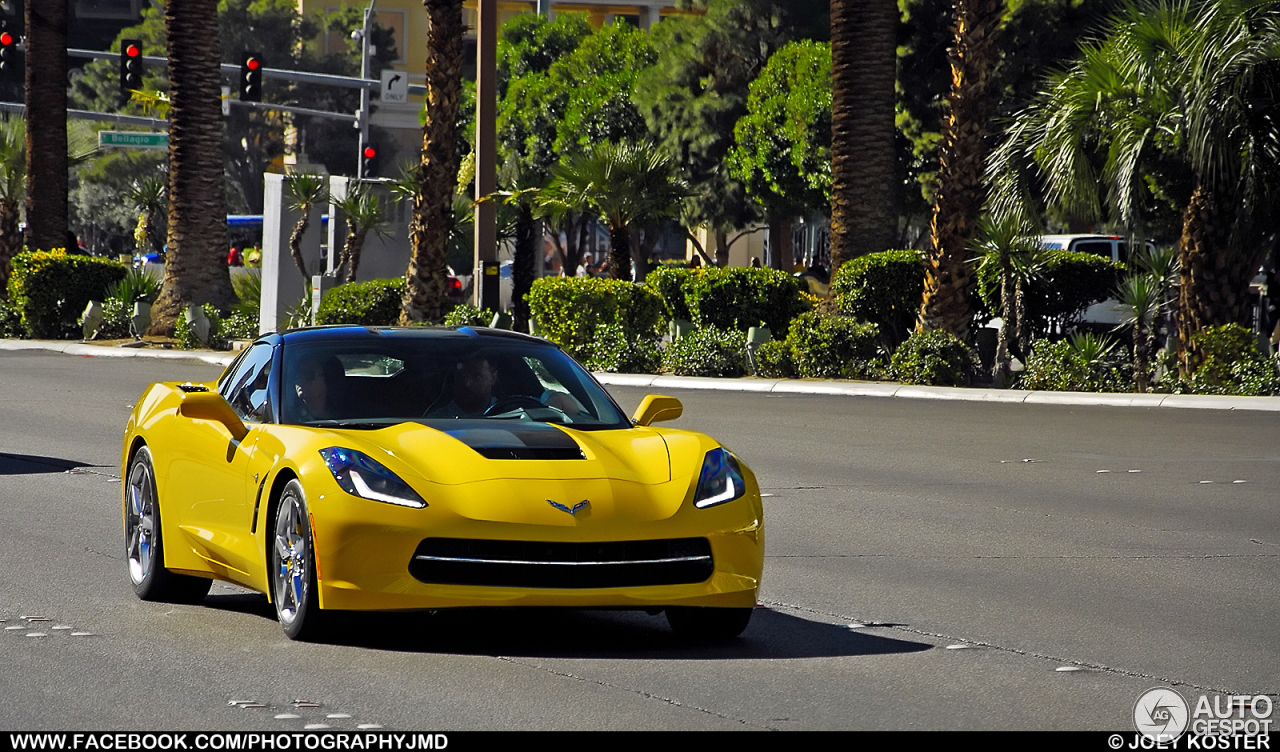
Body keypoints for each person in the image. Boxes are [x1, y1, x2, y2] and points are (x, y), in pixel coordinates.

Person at [290, 353, 343, 422]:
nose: (300, 380)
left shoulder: (349, 414)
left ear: (327, 379)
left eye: (309, 375)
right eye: (297, 376)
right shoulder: (289, 417)